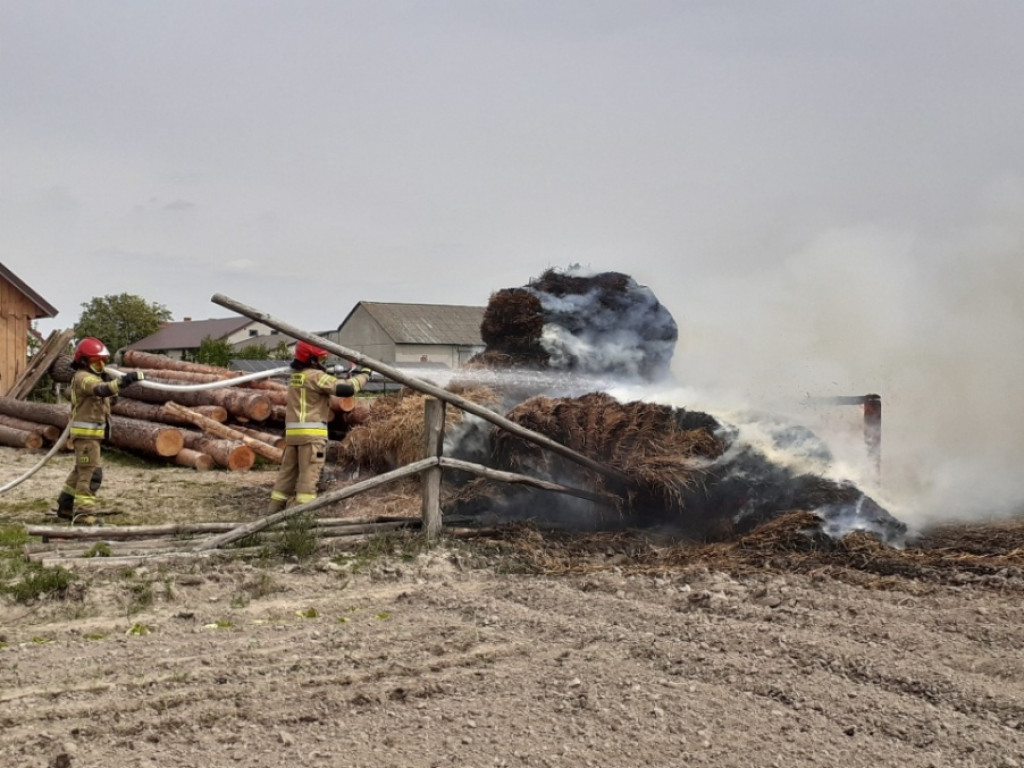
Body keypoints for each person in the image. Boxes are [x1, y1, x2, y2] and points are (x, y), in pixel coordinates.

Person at [267, 341, 371, 514]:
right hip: (311, 437)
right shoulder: (315, 377)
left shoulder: (296, 375)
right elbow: (346, 389)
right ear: (312, 358)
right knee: (309, 476)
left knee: (287, 475)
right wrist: (365, 375)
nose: (323, 361)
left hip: (293, 436)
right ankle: (302, 516)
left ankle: (272, 512)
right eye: (321, 358)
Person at [53, 337, 144, 525]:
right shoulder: (83, 378)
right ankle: (83, 515)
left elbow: (108, 399)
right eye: (96, 361)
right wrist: (122, 382)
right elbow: (100, 390)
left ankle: (66, 506)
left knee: (81, 471)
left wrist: (112, 387)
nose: (101, 365)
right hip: (86, 437)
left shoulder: (93, 377)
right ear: (84, 361)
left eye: (103, 361)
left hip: (91, 437)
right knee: (91, 474)